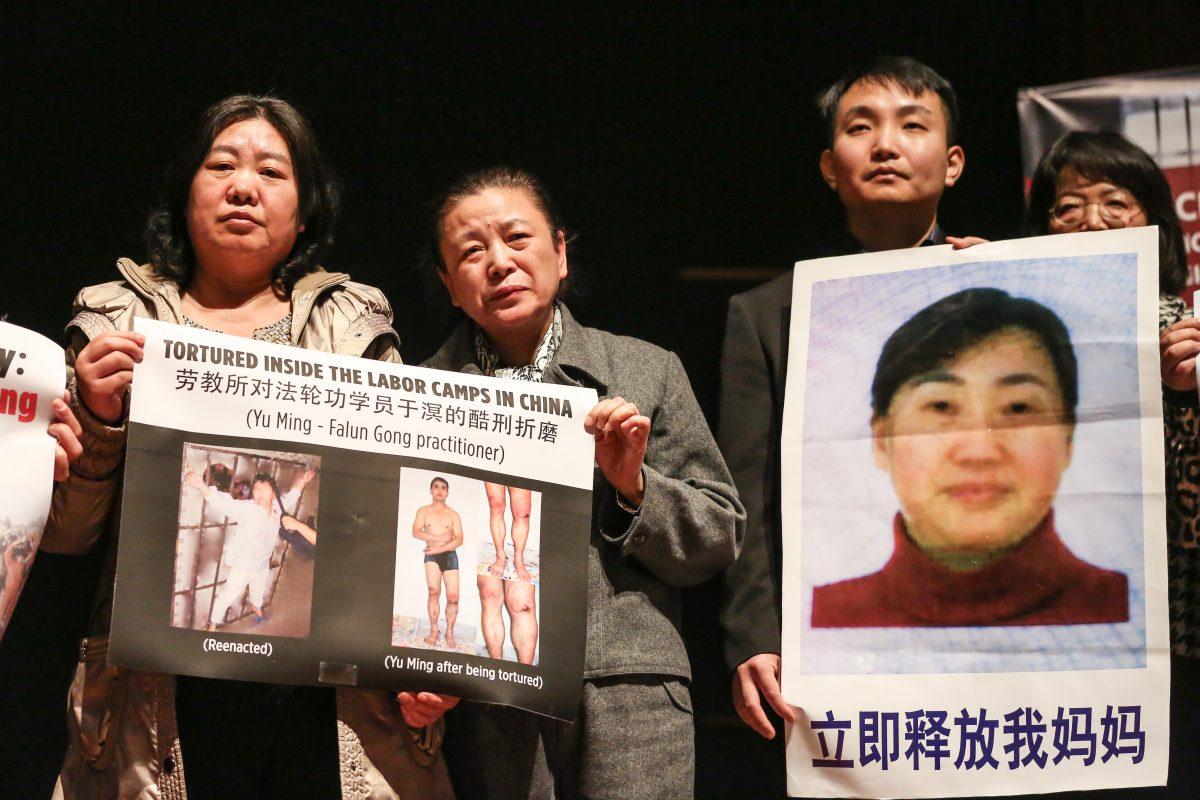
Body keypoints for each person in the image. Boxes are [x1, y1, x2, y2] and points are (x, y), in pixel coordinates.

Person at [41, 94, 454, 799]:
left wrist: (430, 663)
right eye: (221, 164)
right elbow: (67, 534)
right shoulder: (115, 321)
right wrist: (102, 418)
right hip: (165, 694)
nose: (243, 186)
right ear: (185, 192)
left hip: (326, 699)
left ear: (304, 211)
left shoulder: (355, 329)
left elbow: (393, 519)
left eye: (272, 171)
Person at [423, 166, 744, 799]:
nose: (498, 262)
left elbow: (719, 536)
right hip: (488, 697)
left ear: (560, 253)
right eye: (471, 251)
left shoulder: (645, 371)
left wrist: (635, 488)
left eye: (517, 238)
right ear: (448, 285)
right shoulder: (422, 393)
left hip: (628, 694)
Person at [718, 56, 978, 750]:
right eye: (861, 128)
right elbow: (746, 490)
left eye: (912, 125)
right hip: (843, 628)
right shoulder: (768, 313)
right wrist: (754, 636)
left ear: (952, 163)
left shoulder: (1009, 294)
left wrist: (1005, 284)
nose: (886, 145)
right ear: (831, 167)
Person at [1027, 129, 1200, 794]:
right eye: (1066, 208)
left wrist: (1182, 399)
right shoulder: (1012, 334)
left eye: (1115, 202)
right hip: (1045, 636)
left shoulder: (1185, 335)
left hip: (1165, 644)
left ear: (1154, 224)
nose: (1090, 222)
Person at [810, 287, 1127, 626]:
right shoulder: (820, 620)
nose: (979, 451)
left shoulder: (1131, 610)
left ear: (1068, 437)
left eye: (1018, 407)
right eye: (941, 406)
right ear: (882, 439)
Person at [186, 467, 315, 630]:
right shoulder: (247, 508)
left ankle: (258, 611)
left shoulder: (277, 508)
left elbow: (292, 496)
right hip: (243, 566)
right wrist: (202, 487)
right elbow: (224, 503)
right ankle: (212, 626)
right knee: (227, 596)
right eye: (256, 490)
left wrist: (303, 481)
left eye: (263, 490)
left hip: (261, 565)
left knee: (258, 593)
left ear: (273, 493)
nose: (258, 494)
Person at [478, 482, 538, 664]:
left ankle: (518, 558)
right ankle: (500, 555)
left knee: (522, 604)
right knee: (490, 595)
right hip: (493, 455)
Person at [412, 476, 463, 649]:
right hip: (431, 556)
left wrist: (439, 549)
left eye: (443, 488)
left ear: (447, 492)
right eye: (436, 487)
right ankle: (434, 630)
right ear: (431, 490)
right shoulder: (423, 511)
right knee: (434, 592)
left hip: (449, 555)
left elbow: (459, 540)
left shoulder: (453, 514)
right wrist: (438, 538)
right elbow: (416, 532)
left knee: (453, 597)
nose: (440, 491)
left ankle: (449, 631)